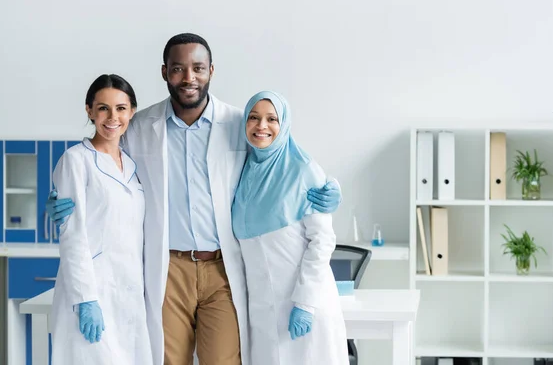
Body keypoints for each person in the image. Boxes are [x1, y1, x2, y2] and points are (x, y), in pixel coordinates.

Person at [47, 33, 342, 365]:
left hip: (222, 270)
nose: (188, 78)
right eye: (178, 68)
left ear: (211, 71)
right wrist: (61, 199)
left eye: (198, 68)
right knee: (170, 360)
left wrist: (327, 188)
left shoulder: (238, 122)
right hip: (168, 268)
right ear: (164, 72)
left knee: (224, 360)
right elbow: (104, 164)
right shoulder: (140, 125)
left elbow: (278, 156)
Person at [232, 90, 348, 365]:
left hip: (304, 304)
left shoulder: (303, 169)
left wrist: (305, 304)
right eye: (254, 117)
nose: (262, 126)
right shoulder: (242, 170)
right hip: (261, 311)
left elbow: (322, 241)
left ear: (283, 124)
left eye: (272, 119)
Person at [50, 74, 152, 364]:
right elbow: (72, 235)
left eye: (120, 108)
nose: (112, 117)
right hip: (91, 292)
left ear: (132, 111)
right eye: (103, 108)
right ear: (89, 111)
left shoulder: (132, 165)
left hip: (130, 295)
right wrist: (86, 299)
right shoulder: (76, 160)